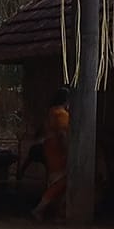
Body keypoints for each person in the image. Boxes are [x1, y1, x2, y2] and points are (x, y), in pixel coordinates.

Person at [31, 88, 71, 221]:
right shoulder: (61, 114)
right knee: (60, 182)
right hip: (58, 150)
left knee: (55, 180)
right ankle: (39, 209)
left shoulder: (50, 113)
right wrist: (66, 151)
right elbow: (62, 134)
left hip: (49, 148)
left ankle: (55, 212)